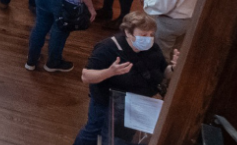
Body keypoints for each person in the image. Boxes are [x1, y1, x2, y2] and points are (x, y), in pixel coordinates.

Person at [73, 11, 176, 145]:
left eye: (151, 34)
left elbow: (164, 72)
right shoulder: (107, 48)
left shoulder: (153, 48)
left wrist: (173, 68)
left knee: (121, 137)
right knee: (93, 132)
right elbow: (86, 76)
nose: (148, 38)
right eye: (143, 35)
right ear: (128, 32)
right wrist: (109, 72)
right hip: (107, 104)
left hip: (136, 105)